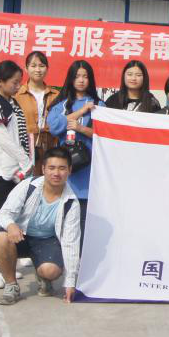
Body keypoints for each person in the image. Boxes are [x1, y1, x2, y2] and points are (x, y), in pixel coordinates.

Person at [0, 146, 83, 305]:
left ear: (69, 170)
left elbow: (71, 242)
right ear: (43, 169)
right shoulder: (28, 186)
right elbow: (3, 214)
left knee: (51, 271)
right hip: (21, 235)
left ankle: (43, 277)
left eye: (62, 168)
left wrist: (70, 282)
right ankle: (11, 286)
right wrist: (11, 225)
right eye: (51, 168)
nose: (56, 173)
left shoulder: (72, 203)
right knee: (1, 238)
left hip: (47, 240)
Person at [0, 59, 33, 290]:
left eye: (19, 82)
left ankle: (6, 264)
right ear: (0, 81)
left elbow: (21, 136)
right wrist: (25, 160)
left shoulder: (13, 103)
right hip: (1, 172)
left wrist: (24, 164)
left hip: (16, 173)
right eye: (14, 82)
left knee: (13, 219)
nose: (17, 86)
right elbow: (3, 139)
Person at [47, 59, 100, 241]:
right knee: (64, 221)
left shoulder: (98, 105)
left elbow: (104, 135)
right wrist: (81, 111)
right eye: (77, 76)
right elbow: (54, 127)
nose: (81, 80)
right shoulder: (60, 104)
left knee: (84, 223)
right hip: (65, 173)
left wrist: (81, 129)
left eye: (85, 76)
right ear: (70, 79)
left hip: (88, 171)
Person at [14, 51, 60, 166]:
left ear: (47, 69)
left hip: (50, 147)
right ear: (26, 68)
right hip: (24, 148)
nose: (38, 70)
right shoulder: (17, 95)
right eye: (33, 66)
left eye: (41, 66)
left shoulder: (56, 95)